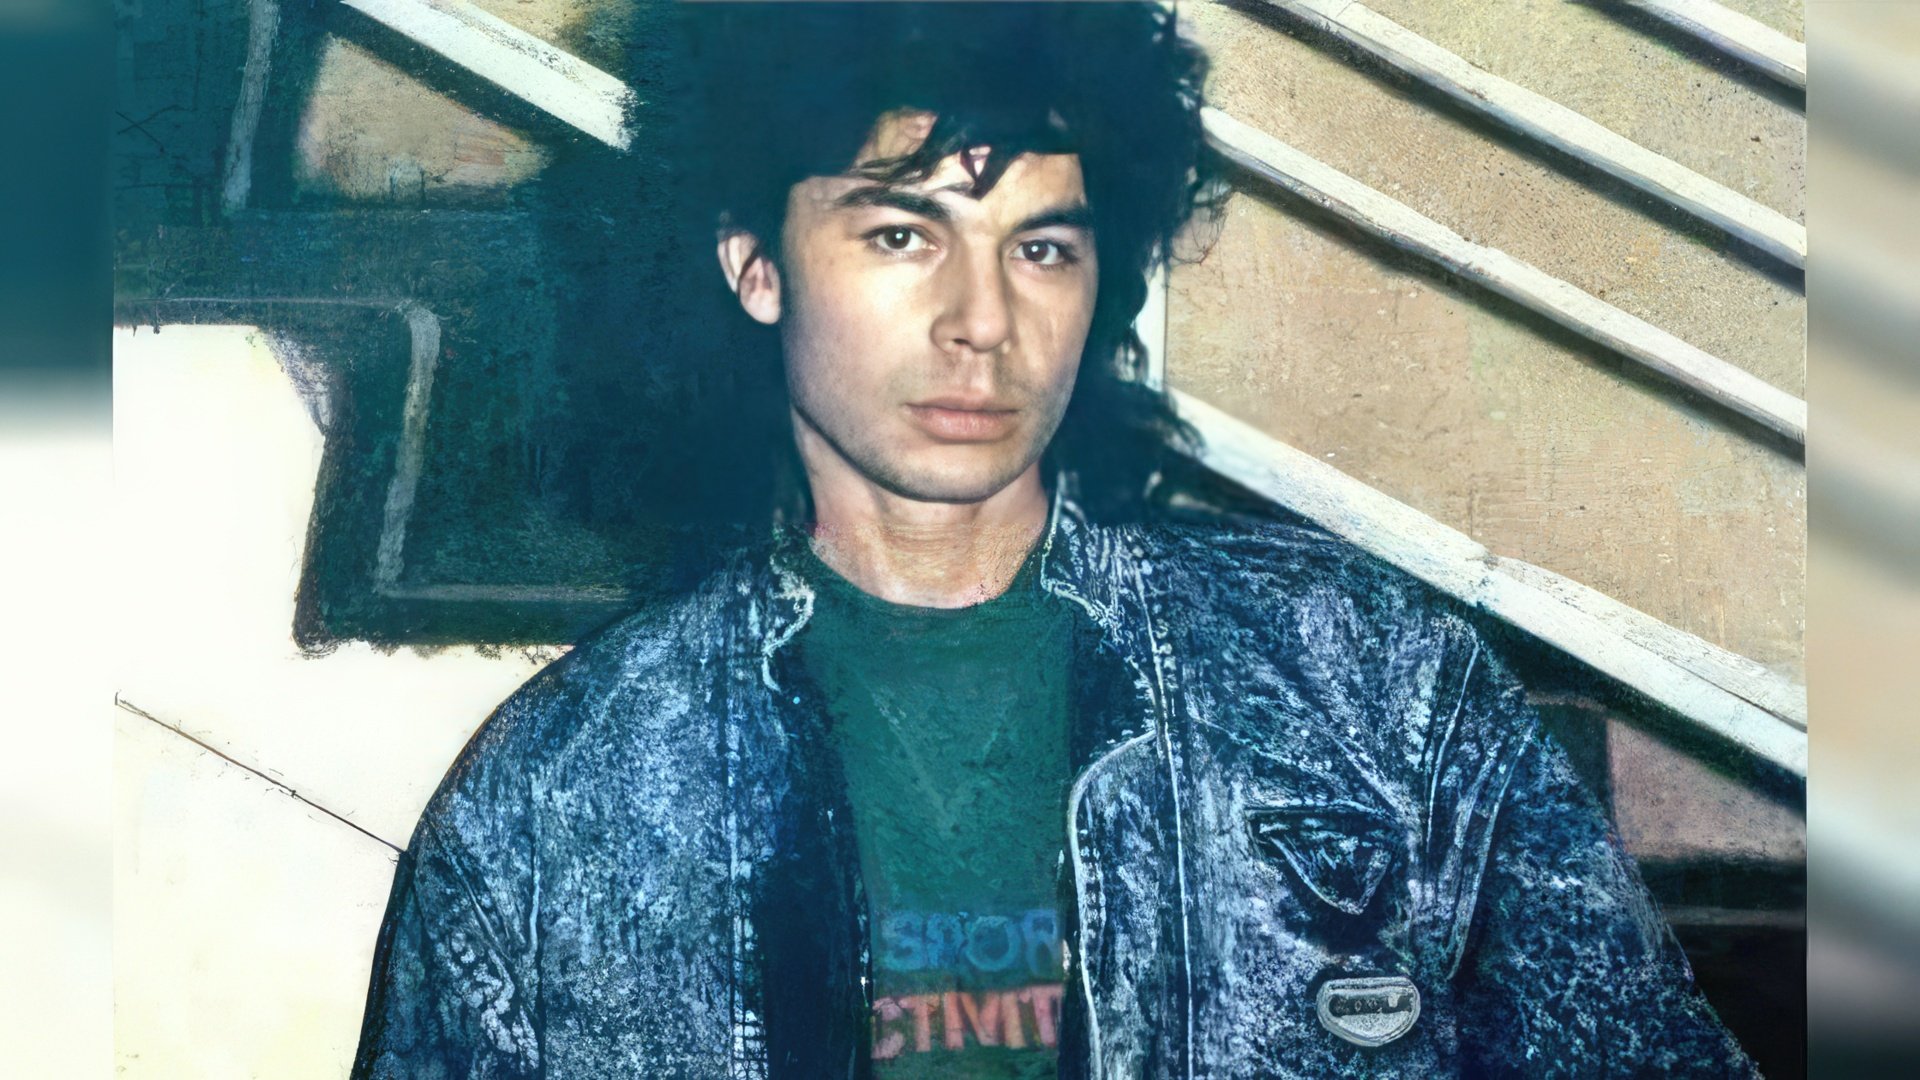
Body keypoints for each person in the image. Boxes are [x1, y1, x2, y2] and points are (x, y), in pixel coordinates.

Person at [351, 4, 1758, 1077]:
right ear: (755, 264)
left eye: (1042, 248)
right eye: (903, 236)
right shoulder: (563, 798)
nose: (983, 322)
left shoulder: (1372, 692)